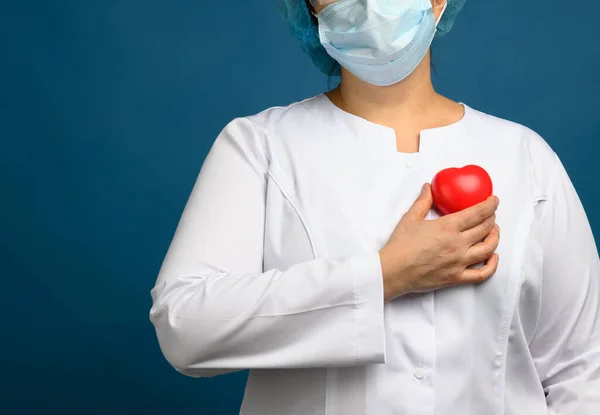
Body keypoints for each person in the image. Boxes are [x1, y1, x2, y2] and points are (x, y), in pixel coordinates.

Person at [149, 0, 600, 414]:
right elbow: (185, 326)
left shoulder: (525, 158)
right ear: (310, 9)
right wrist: (385, 275)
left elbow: (583, 369)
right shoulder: (260, 148)